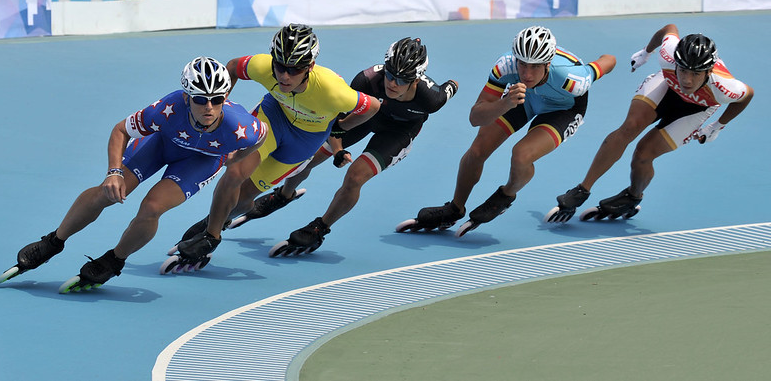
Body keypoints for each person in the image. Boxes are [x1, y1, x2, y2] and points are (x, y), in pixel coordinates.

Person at [0, 56, 266, 292]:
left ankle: (114, 260)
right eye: (200, 99)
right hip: (163, 144)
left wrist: (234, 158)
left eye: (217, 99)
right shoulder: (167, 109)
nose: (209, 107)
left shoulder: (242, 126)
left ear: (225, 98)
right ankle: (54, 242)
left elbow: (259, 139)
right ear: (186, 97)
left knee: (151, 207)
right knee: (109, 192)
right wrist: (113, 172)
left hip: (202, 159)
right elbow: (121, 130)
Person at [231, 37, 458, 256]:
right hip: (363, 119)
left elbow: (452, 86)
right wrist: (338, 150)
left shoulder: (432, 99)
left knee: (355, 177)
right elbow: (336, 125)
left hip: (398, 132)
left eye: (401, 80)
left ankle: (320, 228)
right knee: (309, 158)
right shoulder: (366, 80)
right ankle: (283, 195)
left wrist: (451, 85)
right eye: (390, 75)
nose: (392, 83)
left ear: (416, 80)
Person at [177, 24, 381, 258]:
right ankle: (212, 236)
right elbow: (232, 67)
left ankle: (225, 215)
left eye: (294, 70)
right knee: (234, 173)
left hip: (304, 139)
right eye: (280, 66)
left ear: (309, 66)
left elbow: (372, 106)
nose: (284, 76)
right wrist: (219, 111)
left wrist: (341, 126)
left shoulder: (334, 91)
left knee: (243, 200)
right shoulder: (263, 66)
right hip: (272, 118)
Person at [406, 25, 616, 237]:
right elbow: (475, 117)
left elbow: (608, 60)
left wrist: (615, 57)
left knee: (521, 155)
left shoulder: (573, 79)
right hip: (523, 98)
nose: (526, 73)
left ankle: (506, 195)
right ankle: (455, 208)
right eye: (522, 64)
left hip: (564, 109)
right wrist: (505, 103)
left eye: (535, 67)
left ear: (548, 64)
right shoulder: (506, 66)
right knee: (478, 150)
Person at [545, 24, 753, 222]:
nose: (687, 80)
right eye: (683, 70)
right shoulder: (669, 55)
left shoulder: (726, 87)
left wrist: (718, 125)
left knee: (643, 154)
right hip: (667, 88)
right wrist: (647, 52)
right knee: (629, 128)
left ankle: (633, 196)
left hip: (697, 108)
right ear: (676, 64)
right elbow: (669, 29)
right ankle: (583, 189)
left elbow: (747, 95)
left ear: (708, 73)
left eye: (696, 74)